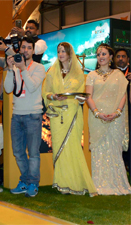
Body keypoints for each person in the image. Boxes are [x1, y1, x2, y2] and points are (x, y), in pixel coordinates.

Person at [42, 42, 97, 196]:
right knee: (59, 150)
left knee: (72, 148)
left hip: (72, 114)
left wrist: (80, 99)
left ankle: (76, 183)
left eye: (64, 51)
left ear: (69, 54)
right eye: (59, 51)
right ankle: (61, 183)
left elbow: (81, 97)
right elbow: (45, 92)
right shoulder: (52, 73)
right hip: (56, 116)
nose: (61, 54)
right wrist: (53, 96)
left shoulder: (78, 74)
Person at [86, 44, 131, 195]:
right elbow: (88, 96)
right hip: (97, 117)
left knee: (114, 150)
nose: (101, 57)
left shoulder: (118, 74)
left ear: (111, 57)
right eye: (98, 54)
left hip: (115, 118)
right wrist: (97, 113)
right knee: (99, 151)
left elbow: (123, 94)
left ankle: (117, 183)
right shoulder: (92, 75)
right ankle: (99, 184)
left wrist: (117, 112)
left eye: (104, 54)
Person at [4, 36, 45, 197]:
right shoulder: (15, 67)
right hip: (17, 115)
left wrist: (22, 69)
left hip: (33, 115)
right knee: (18, 152)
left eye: (29, 47)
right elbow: (8, 89)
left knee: (33, 153)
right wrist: (9, 69)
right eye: (23, 47)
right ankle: (25, 181)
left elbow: (33, 86)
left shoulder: (39, 68)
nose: (25, 50)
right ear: (19, 49)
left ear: (33, 51)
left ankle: (33, 183)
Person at [114, 48, 131, 175]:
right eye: (118, 56)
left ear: (128, 59)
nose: (121, 59)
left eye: (123, 56)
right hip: (115, 112)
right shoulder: (111, 74)